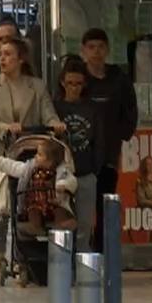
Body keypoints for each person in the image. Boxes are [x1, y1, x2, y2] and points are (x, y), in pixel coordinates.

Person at [80, 28, 138, 246]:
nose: (96, 52)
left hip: (109, 153)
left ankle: (103, 252)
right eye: (91, 47)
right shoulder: (78, 77)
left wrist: (122, 135)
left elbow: (130, 111)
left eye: (101, 47)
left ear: (108, 50)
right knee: (83, 205)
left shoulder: (118, 78)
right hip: (82, 153)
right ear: (83, 50)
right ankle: (82, 250)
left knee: (105, 204)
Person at [0, 38, 64, 165]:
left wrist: (56, 125)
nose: (2, 58)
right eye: (0, 54)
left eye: (7, 54)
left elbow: (49, 115)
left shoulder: (37, 86)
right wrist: (7, 128)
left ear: (21, 59)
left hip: (29, 154)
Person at [53, 57, 101, 248]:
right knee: (62, 224)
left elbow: (99, 141)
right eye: (70, 83)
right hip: (61, 173)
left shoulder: (92, 109)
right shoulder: (55, 108)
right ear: (63, 83)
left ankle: (81, 269)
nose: (74, 88)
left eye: (78, 84)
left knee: (84, 226)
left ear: (84, 84)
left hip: (85, 172)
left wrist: (94, 169)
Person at [0, 139, 78, 237]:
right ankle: (35, 226)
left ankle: (61, 225)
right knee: (33, 210)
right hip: (36, 202)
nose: (35, 156)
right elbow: (15, 167)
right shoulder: (30, 168)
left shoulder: (62, 171)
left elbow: (72, 181)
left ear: (50, 161)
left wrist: (63, 185)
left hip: (55, 201)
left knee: (60, 210)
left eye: (39, 155)